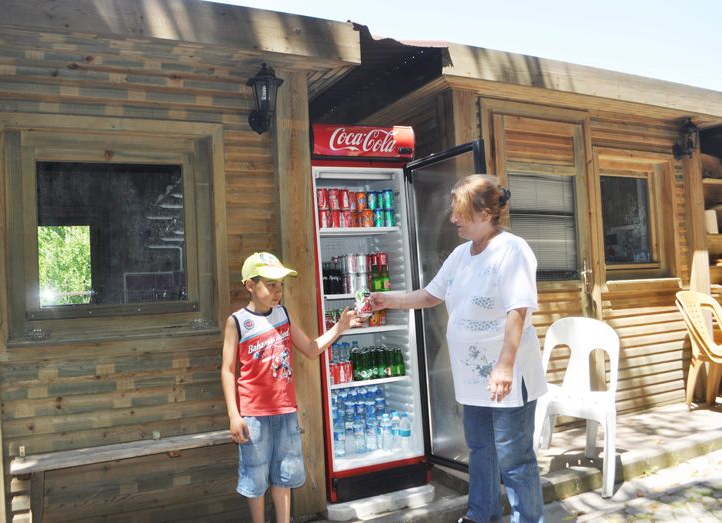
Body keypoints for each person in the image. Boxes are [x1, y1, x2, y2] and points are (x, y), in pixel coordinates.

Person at [370, 175, 547, 523]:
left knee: (514, 456)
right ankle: (482, 514)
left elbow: (518, 310)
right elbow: (430, 295)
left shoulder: (513, 250)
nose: (453, 219)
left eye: (460, 212)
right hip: (473, 376)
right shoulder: (460, 254)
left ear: (485, 214)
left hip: (507, 373)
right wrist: (389, 299)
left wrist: (504, 366)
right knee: (480, 449)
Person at [221, 251, 360, 523]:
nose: (278, 291)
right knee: (255, 477)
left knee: (283, 475)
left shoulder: (283, 314)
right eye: (270, 284)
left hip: (286, 412)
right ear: (250, 285)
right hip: (254, 416)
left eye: (281, 284)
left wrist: (340, 327)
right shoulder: (236, 322)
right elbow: (227, 370)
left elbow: (310, 348)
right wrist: (233, 415)